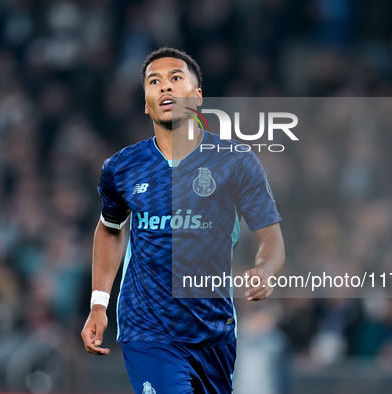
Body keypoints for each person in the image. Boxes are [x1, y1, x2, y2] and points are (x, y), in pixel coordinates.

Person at [81, 47, 285, 393]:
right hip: (147, 329)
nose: (165, 87)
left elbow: (272, 239)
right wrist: (98, 303)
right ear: (146, 103)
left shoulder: (235, 162)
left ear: (198, 96)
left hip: (213, 332)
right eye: (154, 82)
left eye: (176, 78)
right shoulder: (121, 167)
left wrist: (264, 270)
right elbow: (110, 228)